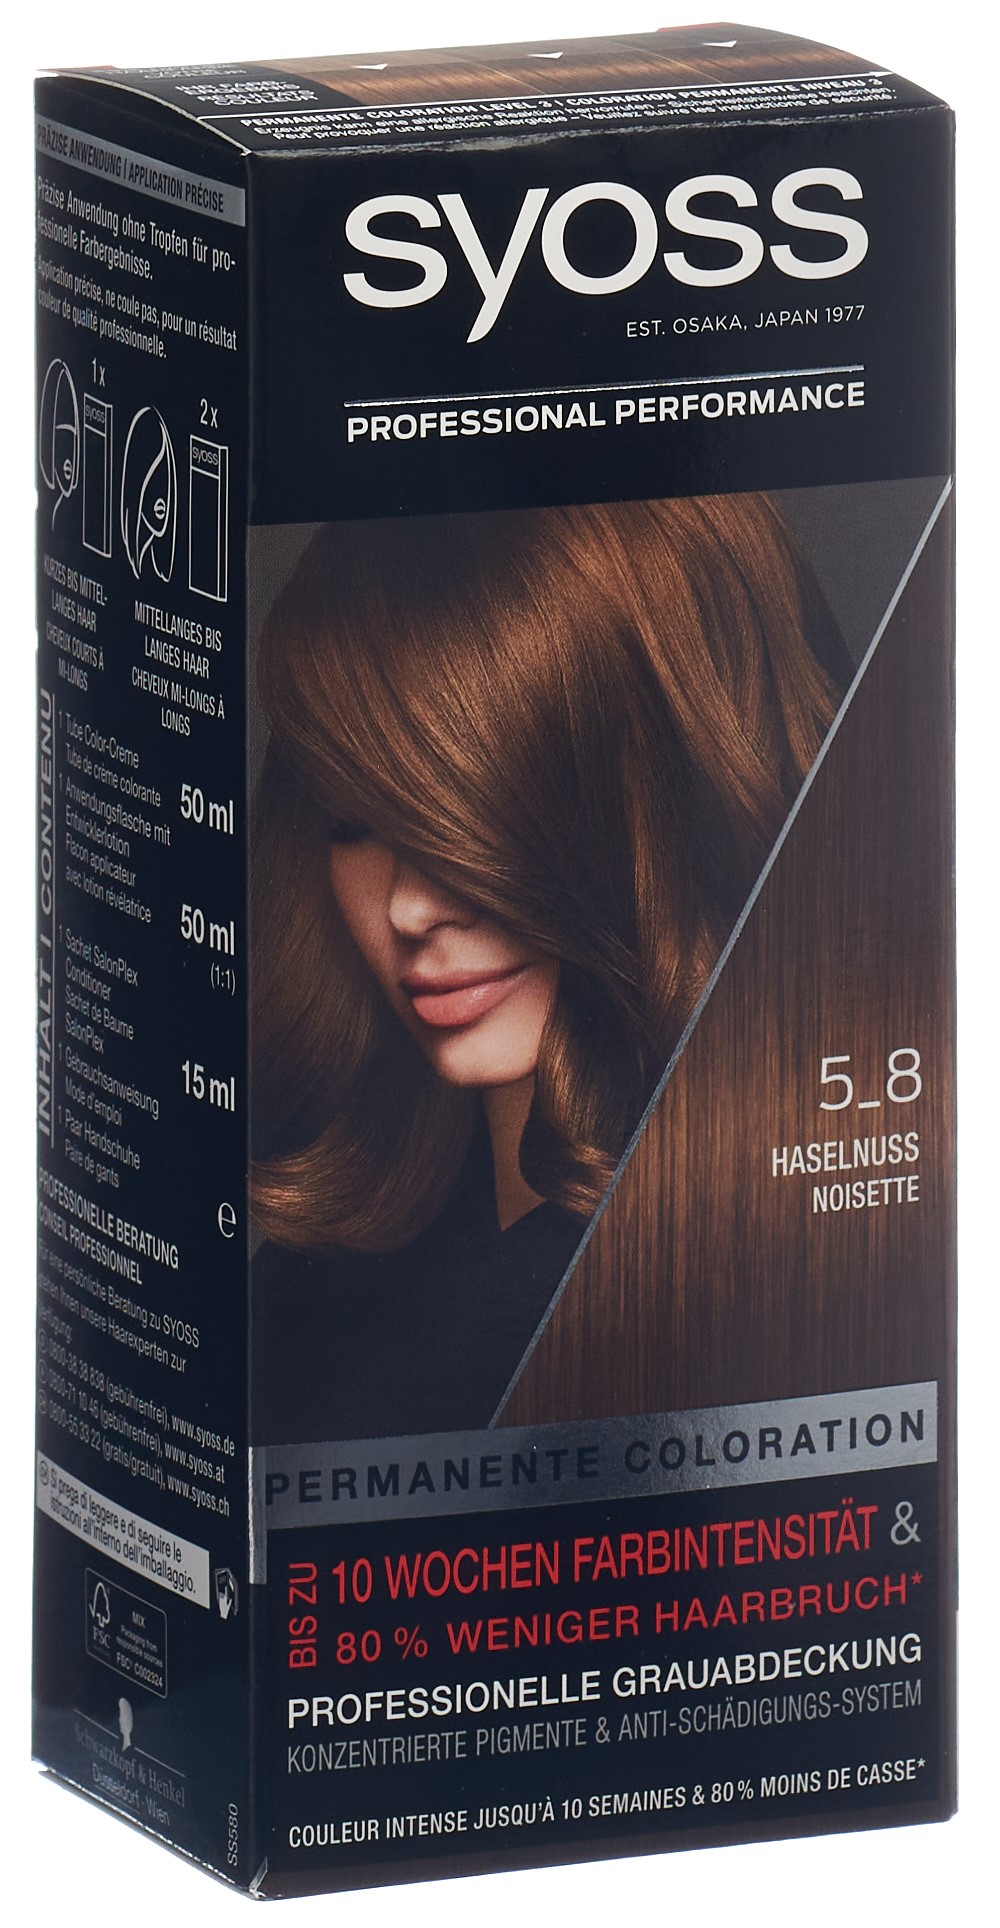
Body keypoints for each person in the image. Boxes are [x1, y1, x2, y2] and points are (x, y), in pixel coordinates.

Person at [250, 492, 849, 1440]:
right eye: (355, 822)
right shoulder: (314, 1301)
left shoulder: (798, 1269)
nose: (408, 908)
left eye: (476, 812)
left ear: (674, 782)